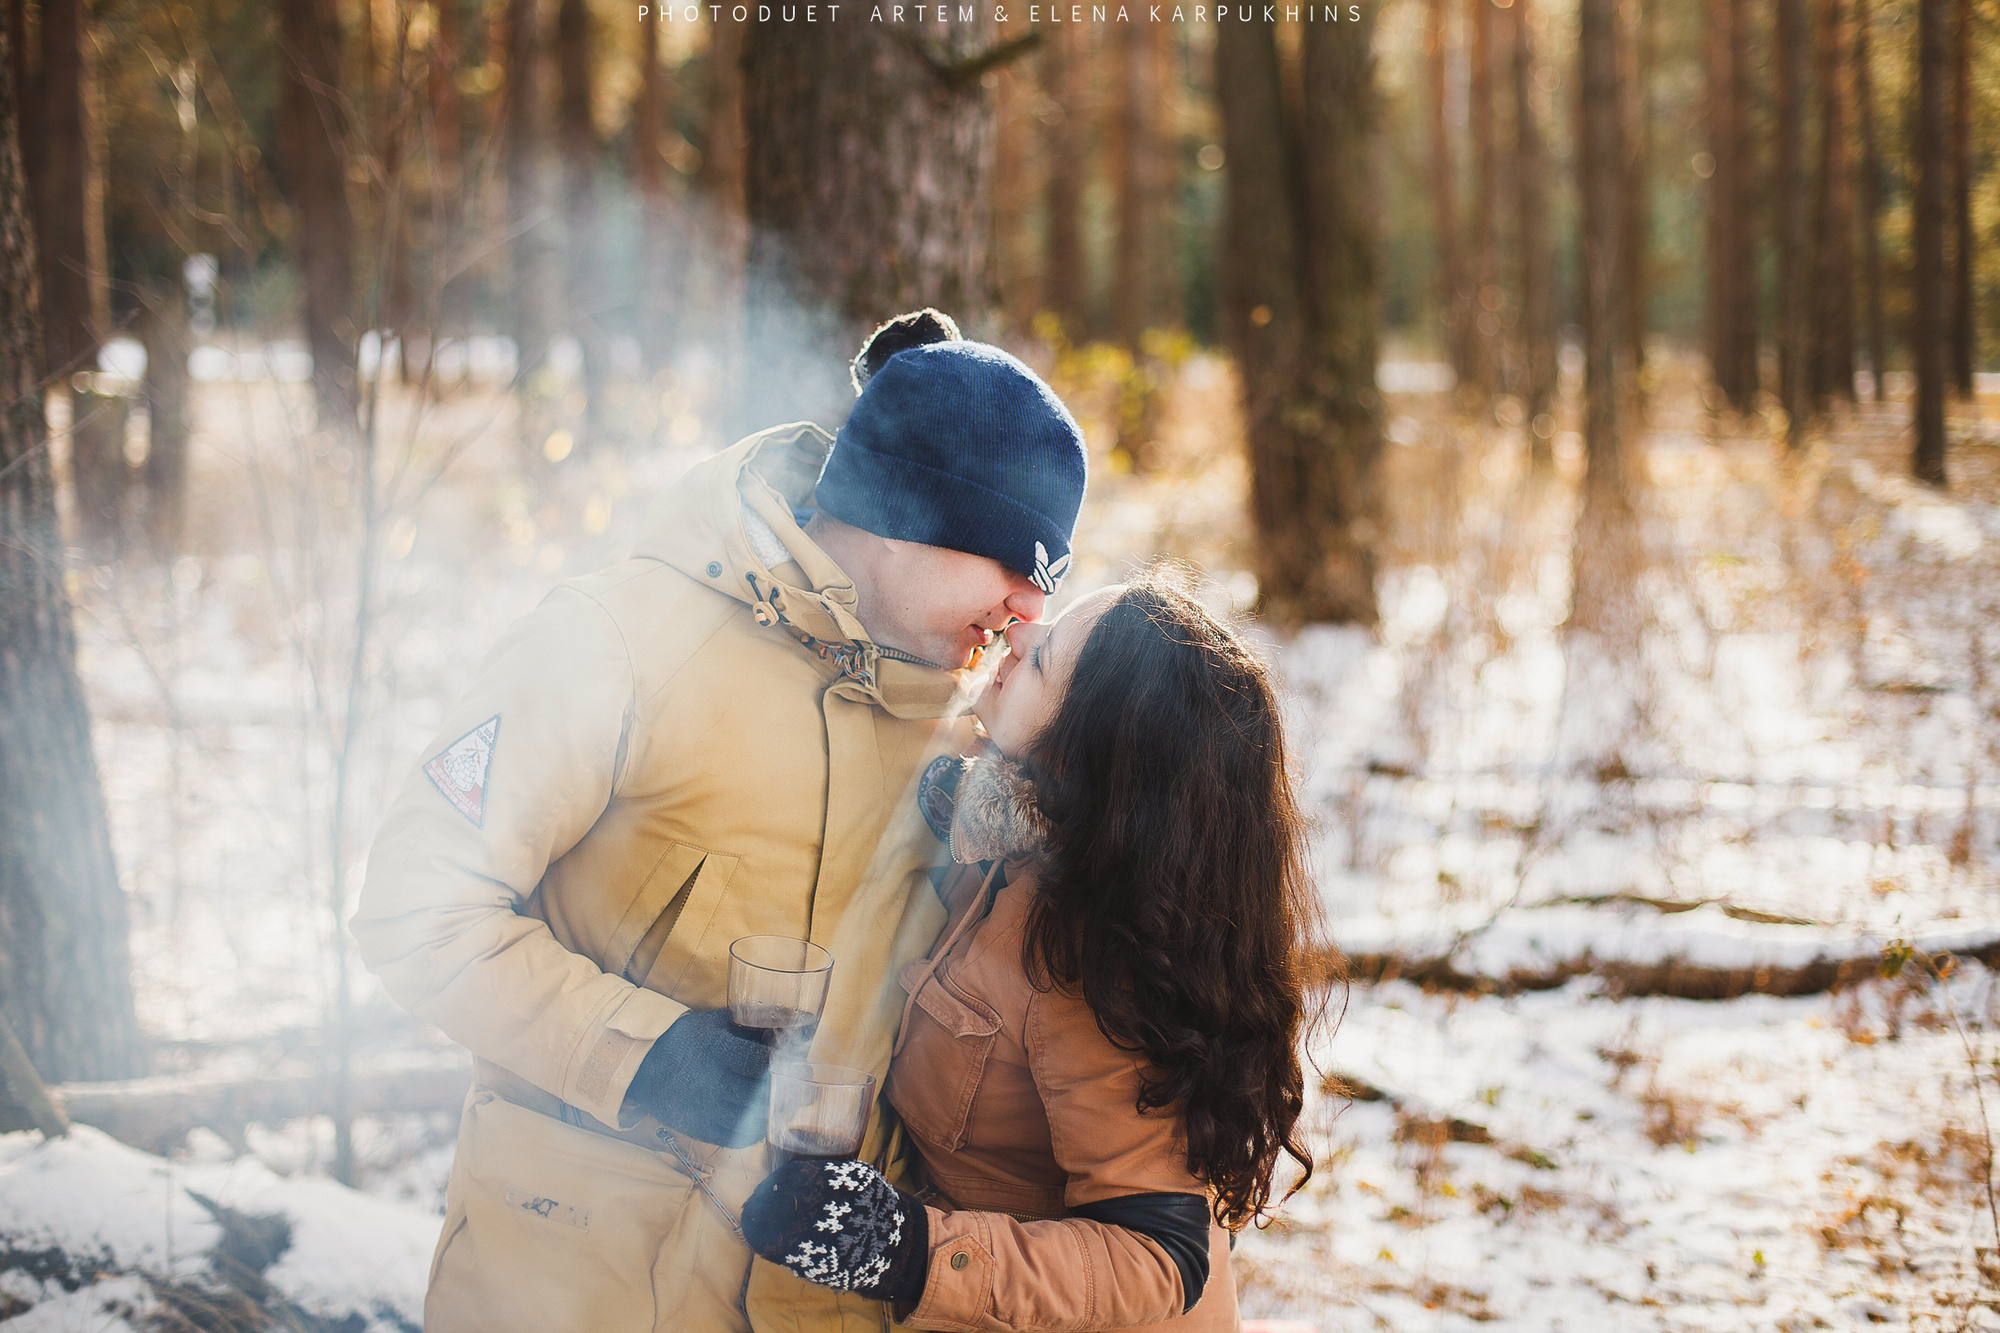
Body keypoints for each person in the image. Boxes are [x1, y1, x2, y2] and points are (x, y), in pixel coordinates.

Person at [349, 309, 1089, 1333]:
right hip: (574, 1290)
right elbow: (410, 912)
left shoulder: (971, 736)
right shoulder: (618, 643)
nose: (1027, 608)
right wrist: (640, 1054)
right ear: (902, 509)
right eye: (1013, 562)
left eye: (1048, 581)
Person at [739, 568, 1322, 1332]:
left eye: (1045, 658)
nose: (1021, 632)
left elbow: (1160, 1258)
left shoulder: (1099, 959)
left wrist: (909, 1247)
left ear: (1090, 748)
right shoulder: (1026, 853)